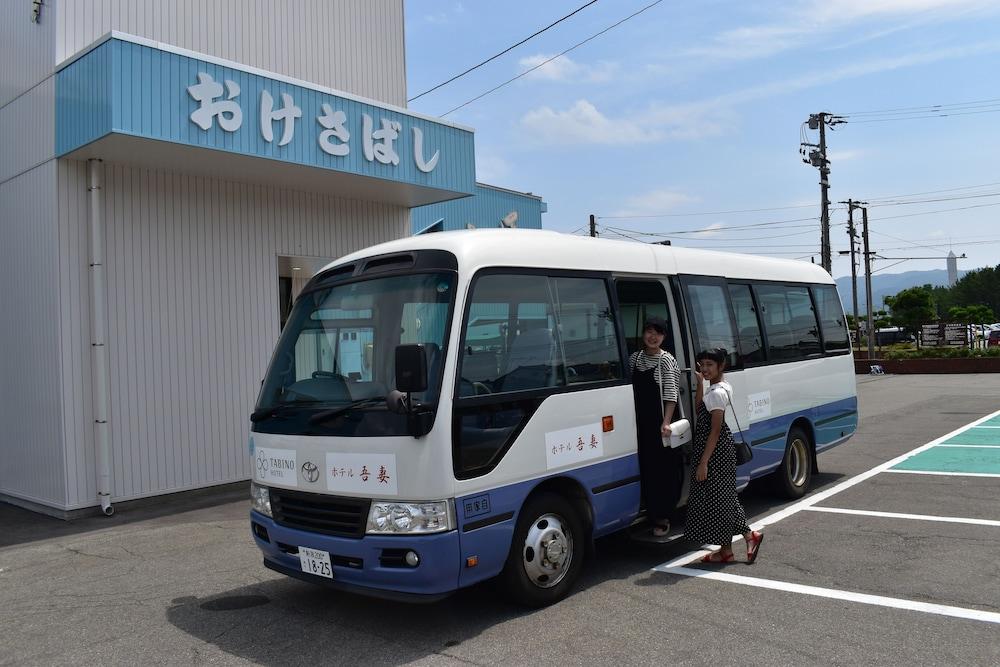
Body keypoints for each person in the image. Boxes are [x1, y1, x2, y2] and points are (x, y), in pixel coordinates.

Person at [684, 347, 763, 563]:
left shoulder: (718, 393)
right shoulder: (717, 387)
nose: (705, 368)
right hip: (714, 450)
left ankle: (750, 535)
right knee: (721, 498)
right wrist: (700, 384)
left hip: (716, 451)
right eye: (703, 364)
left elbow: (715, 430)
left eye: (710, 365)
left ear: (721, 366)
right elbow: (700, 408)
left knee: (722, 499)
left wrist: (703, 462)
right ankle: (725, 550)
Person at [628, 317, 682, 537]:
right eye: (649, 331)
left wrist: (666, 422)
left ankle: (663, 516)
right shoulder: (635, 359)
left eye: (657, 333)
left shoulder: (667, 360)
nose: (652, 337)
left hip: (660, 423)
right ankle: (649, 511)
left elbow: (671, 395)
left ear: (664, 337)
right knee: (646, 468)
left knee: (662, 471)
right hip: (638, 422)